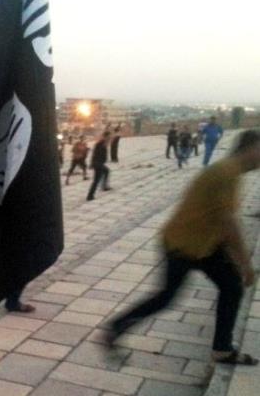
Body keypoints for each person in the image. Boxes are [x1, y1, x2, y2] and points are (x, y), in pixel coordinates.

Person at [105, 130, 260, 364]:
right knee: (168, 297)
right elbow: (229, 223)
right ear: (251, 149)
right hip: (184, 245)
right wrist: (246, 265)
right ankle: (116, 326)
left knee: (231, 287)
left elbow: (220, 219)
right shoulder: (226, 173)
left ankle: (222, 348)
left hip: (202, 244)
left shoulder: (229, 171)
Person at [86, 131, 112, 201]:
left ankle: (104, 186)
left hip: (99, 163)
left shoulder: (103, 143)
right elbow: (95, 154)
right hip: (98, 164)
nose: (110, 138)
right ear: (105, 137)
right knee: (96, 180)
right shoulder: (101, 144)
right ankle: (90, 196)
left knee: (106, 171)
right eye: (109, 137)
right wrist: (92, 163)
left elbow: (96, 154)